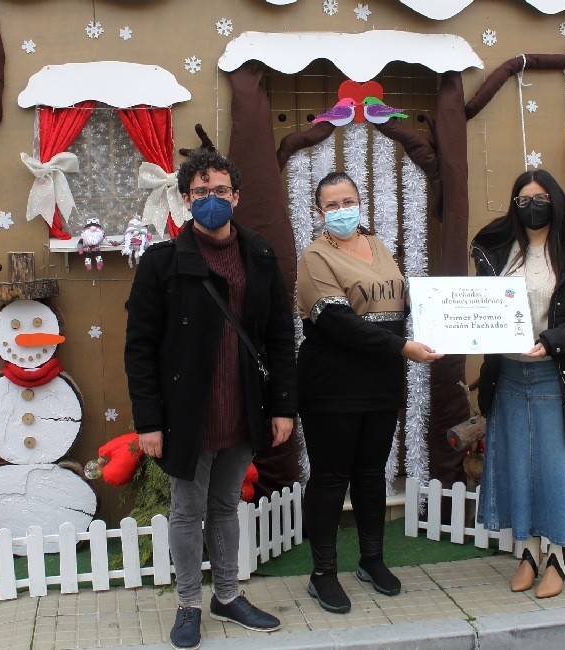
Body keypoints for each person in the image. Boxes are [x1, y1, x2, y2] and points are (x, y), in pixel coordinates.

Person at [124, 151, 296, 650]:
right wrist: (149, 421)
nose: (212, 200)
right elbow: (140, 348)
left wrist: (283, 404)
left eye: (221, 191)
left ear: (236, 197)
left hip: (242, 405)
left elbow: (280, 338)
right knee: (186, 510)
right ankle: (188, 604)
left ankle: (226, 594)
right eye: (201, 193)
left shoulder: (259, 255)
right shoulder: (162, 262)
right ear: (186, 199)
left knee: (224, 506)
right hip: (186, 412)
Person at [295, 172, 442, 614]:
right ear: (318, 212)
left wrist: (450, 313)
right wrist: (403, 346)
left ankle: (372, 561)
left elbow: (397, 301)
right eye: (333, 204)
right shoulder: (315, 257)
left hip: (380, 382)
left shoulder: (378, 246)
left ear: (361, 203)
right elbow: (339, 322)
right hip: (332, 384)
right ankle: (322, 574)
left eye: (349, 200)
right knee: (329, 476)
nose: (343, 210)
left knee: (371, 474)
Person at [470, 169, 565, 599]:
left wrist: (551, 341)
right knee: (519, 465)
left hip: (560, 376)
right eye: (522, 199)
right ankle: (529, 550)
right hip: (510, 375)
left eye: (539, 197)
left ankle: (558, 554)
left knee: (554, 469)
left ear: (554, 198)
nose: (531, 205)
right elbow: (479, 306)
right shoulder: (498, 248)